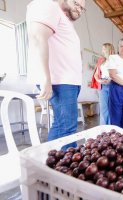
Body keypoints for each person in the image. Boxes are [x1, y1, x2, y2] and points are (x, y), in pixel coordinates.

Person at [26, 0, 86, 149]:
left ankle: (53, 161)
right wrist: (46, 78)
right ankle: (65, 168)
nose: (79, 10)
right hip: (60, 80)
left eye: (82, 9)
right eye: (77, 4)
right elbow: (38, 38)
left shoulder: (60, 16)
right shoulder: (48, 5)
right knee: (67, 128)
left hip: (67, 81)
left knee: (62, 125)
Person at [93, 43, 115, 125]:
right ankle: (102, 129)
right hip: (102, 85)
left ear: (108, 49)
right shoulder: (101, 60)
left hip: (112, 85)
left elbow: (118, 73)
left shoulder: (115, 60)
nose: (102, 50)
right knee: (103, 109)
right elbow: (95, 74)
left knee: (111, 108)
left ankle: (110, 129)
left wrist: (111, 79)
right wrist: (99, 81)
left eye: (104, 49)